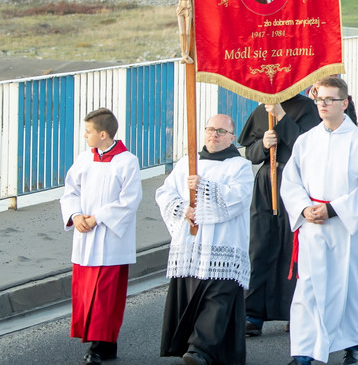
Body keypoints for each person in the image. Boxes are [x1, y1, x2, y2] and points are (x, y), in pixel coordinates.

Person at [282, 77, 358, 365]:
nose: (323, 104)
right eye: (319, 99)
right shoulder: (306, 140)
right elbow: (291, 181)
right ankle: (304, 351)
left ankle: (352, 347)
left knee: (347, 286)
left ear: (345, 103)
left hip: (346, 228)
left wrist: (334, 210)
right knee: (309, 288)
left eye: (329, 100)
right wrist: (302, 208)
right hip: (313, 226)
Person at [156, 114, 253, 365]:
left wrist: (204, 187)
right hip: (191, 244)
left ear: (232, 137)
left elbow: (238, 199)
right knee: (192, 297)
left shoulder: (239, 166)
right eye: (210, 129)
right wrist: (181, 208)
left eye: (221, 131)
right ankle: (199, 349)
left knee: (217, 300)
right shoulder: (188, 163)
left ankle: (200, 349)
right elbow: (164, 192)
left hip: (224, 244)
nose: (214, 134)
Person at [60, 108, 141, 365]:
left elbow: (129, 201)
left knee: (105, 295)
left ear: (103, 134)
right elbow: (70, 190)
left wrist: (98, 217)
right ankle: (103, 344)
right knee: (86, 293)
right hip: (85, 236)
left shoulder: (127, 161)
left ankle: (100, 346)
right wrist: (75, 215)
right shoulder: (84, 159)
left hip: (110, 238)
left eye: (88, 132)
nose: (85, 136)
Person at [236, 95, 321, 337]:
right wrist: (263, 144)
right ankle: (253, 313)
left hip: (295, 182)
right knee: (260, 246)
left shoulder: (306, 108)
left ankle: (296, 312)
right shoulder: (261, 109)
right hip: (267, 182)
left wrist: (282, 117)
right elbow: (249, 153)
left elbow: (303, 146)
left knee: (292, 247)